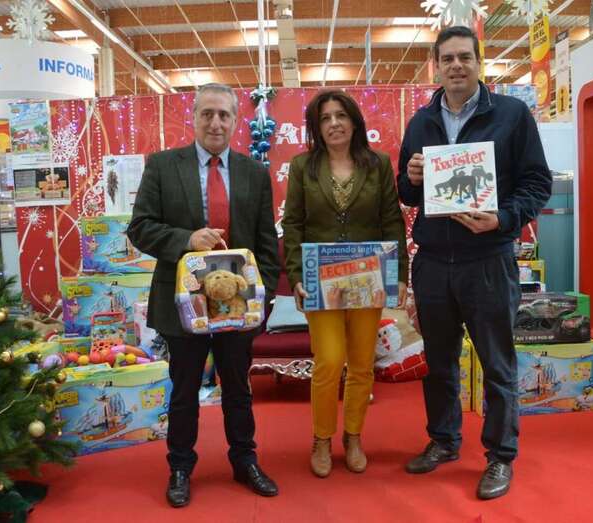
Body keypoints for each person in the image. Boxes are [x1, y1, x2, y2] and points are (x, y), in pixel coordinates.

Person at [397, 26, 552, 500]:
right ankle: (443, 441)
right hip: (434, 263)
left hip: (488, 259)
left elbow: (536, 183)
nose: (457, 66)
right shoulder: (422, 121)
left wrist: (503, 219)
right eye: (448, 59)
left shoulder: (511, 114)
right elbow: (407, 194)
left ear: (479, 62)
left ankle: (500, 457)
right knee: (439, 363)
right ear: (436, 66)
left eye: (465, 57)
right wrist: (411, 175)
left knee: (497, 363)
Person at [127, 83, 280, 508]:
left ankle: (245, 460)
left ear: (236, 121)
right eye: (207, 114)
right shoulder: (161, 166)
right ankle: (179, 466)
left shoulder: (253, 172)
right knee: (184, 389)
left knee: (237, 387)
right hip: (183, 302)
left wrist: (260, 298)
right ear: (193, 117)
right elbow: (139, 228)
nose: (215, 123)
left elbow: (267, 243)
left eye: (224, 115)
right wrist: (186, 238)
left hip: (237, 303)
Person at [283, 89, 408, 478]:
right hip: (322, 281)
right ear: (316, 128)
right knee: (329, 361)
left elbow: (391, 221)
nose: (334, 123)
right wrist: (298, 276)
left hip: (369, 280)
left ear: (354, 121)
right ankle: (322, 438)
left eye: (341, 115)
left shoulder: (378, 164)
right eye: (325, 118)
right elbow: (293, 225)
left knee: (361, 364)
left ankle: (353, 436)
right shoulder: (303, 166)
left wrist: (399, 275)